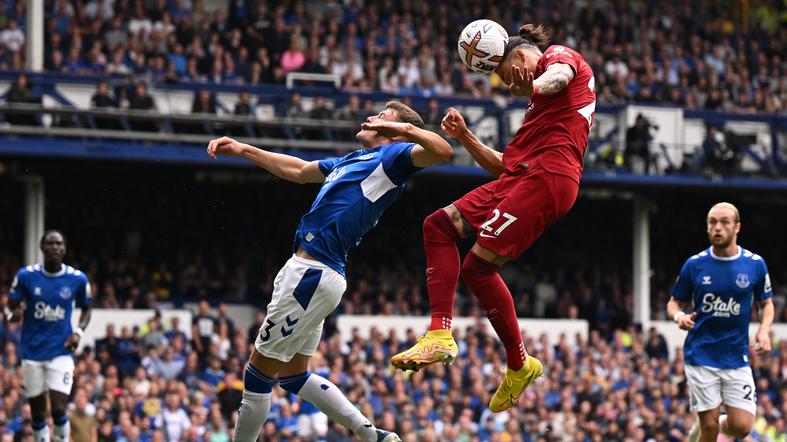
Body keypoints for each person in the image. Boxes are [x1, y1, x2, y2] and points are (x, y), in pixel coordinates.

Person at [206, 100, 452, 442]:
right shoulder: (353, 160)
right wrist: (245, 148)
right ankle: (373, 436)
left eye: (381, 117)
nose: (371, 117)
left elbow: (442, 151)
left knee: (258, 373)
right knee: (293, 375)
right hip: (318, 273)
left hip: (312, 272)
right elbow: (298, 171)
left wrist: (405, 130)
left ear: (393, 133)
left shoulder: (393, 159)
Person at [390, 24, 596, 413]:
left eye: (504, 77)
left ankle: (518, 364)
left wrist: (532, 86)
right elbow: (504, 165)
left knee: (478, 268)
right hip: (520, 178)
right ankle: (441, 334)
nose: (508, 87)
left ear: (519, 57)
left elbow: (557, 78)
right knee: (437, 225)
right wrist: (465, 136)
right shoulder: (538, 114)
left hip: (548, 179)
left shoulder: (558, 59)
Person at [667, 203, 773, 442]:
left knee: (742, 426)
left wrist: (764, 330)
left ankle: (702, 427)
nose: (717, 227)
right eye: (712, 222)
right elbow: (674, 303)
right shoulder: (694, 265)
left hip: (736, 356)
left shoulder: (755, 264)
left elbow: (766, 303)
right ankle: (705, 427)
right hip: (701, 354)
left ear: (737, 227)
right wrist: (679, 317)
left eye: (724, 222)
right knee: (711, 427)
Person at [7, 230, 93, 442]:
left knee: (58, 408)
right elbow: (9, 308)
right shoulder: (26, 276)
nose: (54, 247)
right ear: (42, 247)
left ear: (64, 249)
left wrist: (78, 333)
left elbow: (87, 308)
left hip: (61, 352)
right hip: (32, 353)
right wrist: (13, 315)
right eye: (50, 243)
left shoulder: (77, 279)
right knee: (37, 414)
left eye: (59, 244)